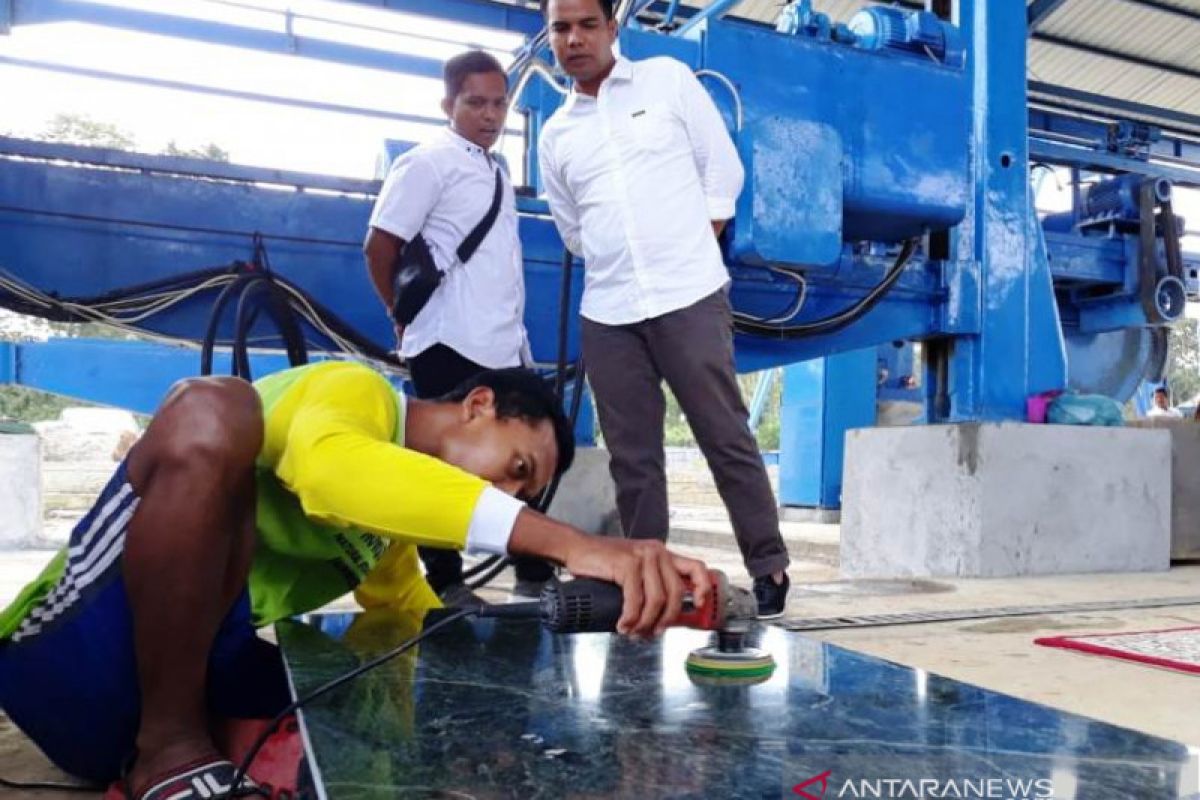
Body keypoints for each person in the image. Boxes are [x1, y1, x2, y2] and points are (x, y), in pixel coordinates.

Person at [0, 361, 711, 799]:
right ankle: (169, 755)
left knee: (352, 718)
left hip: (183, 679)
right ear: (479, 404)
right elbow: (331, 471)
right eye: (516, 468)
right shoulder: (355, 394)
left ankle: (189, 752)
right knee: (218, 408)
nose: (505, 493)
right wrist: (574, 545)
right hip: (70, 663)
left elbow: (419, 627)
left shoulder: (386, 536)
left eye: (520, 495)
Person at [536, 0, 791, 618]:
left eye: (586, 25)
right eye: (560, 29)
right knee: (634, 459)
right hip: (610, 309)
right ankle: (644, 581)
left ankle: (768, 566)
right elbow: (573, 230)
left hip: (688, 294)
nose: (574, 39)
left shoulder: (667, 81)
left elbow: (722, 170)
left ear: (611, 29)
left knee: (723, 432)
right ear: (551, 38)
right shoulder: (556, 134)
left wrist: (695, 241)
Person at [363, 50, 553, 605]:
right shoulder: (427, 163)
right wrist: (402, 315)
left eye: (499, 104)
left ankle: (534, 570)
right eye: (476, 103)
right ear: (448, 104)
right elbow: (380, 246)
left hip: (502, 342)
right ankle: (445, 580)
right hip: (447, 340)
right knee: (441, 461)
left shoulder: (495, 169)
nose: (490, 115)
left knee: (520, 450)